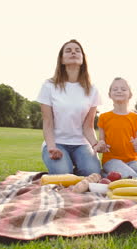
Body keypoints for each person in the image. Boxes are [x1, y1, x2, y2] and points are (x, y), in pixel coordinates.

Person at [36, 39, 101, 176]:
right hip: (57, 142)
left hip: (81, 144)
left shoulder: (92, 89)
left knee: (93, 172)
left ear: (83, 59)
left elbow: (88, 126)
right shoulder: (49, 86)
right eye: (68, 50)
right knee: (63, 173)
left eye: (78, 50)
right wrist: (51, 147)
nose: (73, 52)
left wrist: (95, 144)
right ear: (61, 60)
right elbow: (48, 122)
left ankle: (76, 163)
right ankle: (64, 165)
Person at [95, 77, 137, 180]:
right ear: (109, 94)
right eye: (115, 89)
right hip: (111, 160)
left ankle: (110, 176)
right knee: (130, 177)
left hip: (133, 160)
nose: (119, 91)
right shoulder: (104, 117)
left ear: (130, 94)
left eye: (123, 89)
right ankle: (105, 175)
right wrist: (101, 145)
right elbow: (101, 141)